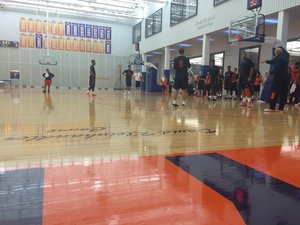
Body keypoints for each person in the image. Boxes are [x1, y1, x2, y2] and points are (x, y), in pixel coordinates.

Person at [261, 47, 289, 112]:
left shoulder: (278, 59)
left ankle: (272, 107)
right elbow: (274, 62)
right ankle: (281, 108)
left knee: (274, 92)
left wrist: (270, 73)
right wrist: (266, 61)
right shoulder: (283, 58)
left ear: (275, 53)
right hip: (285, 79)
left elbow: (277, 69)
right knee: (283, 94)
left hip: (278, 79)